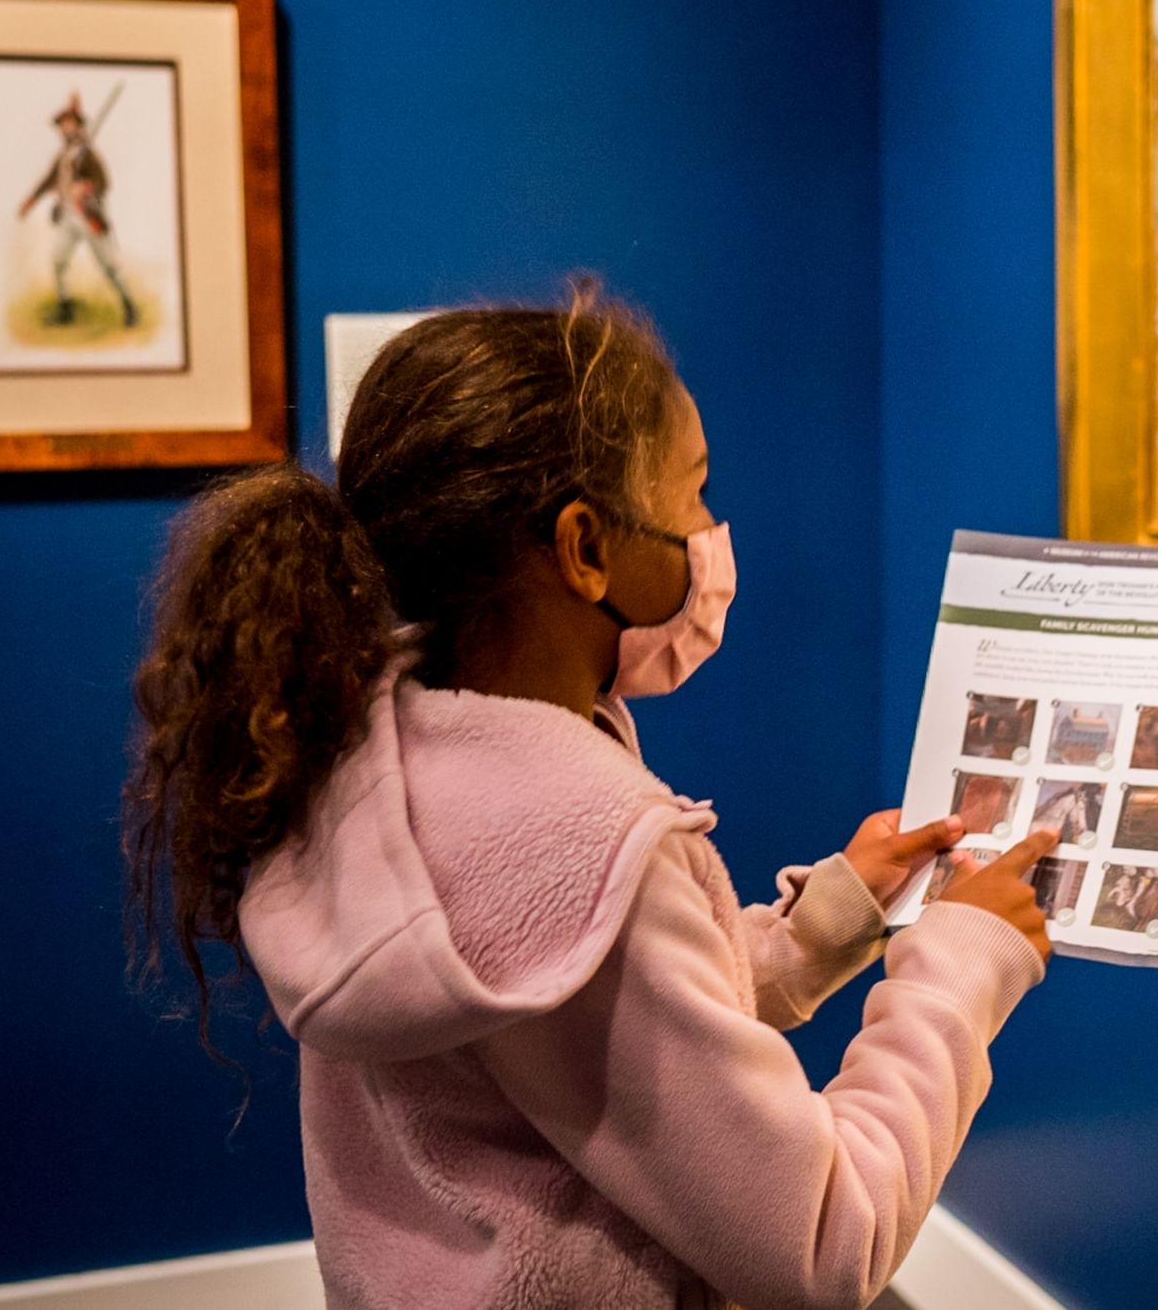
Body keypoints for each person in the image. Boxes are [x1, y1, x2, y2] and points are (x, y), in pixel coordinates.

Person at [122, 291, 1055, 1310]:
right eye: (694, 494)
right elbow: (826, 1239)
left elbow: (594, 1030)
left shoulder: (367, 755)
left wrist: (823, 925)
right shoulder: (588, 842)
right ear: (585, 549)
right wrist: (956, 971)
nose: (710, 536)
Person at [17, 91, 138, 328]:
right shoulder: (64, 155)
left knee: (109, 266)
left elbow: (103, 182)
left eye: (69, 124)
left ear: (78, 127)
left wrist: (85, 187)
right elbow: (49, 179)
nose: (64, 128)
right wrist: (31, 200)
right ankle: (66, 308)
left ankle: (129, 305)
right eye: (62, 125)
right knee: (58, 260)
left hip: (88, 216)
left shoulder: (88, 154)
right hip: (67, 217)